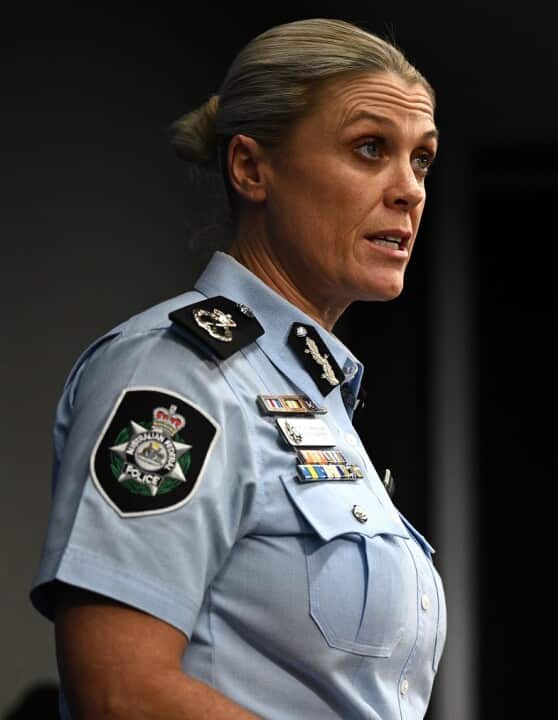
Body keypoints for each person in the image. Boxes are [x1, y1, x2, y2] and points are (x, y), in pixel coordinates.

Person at [29, 18, 444, 718]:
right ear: (251, 168)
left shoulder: (311, 397)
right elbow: (120, 692)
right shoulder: (179, 373)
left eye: (422, 159)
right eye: (370, 149)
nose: (408, 189)